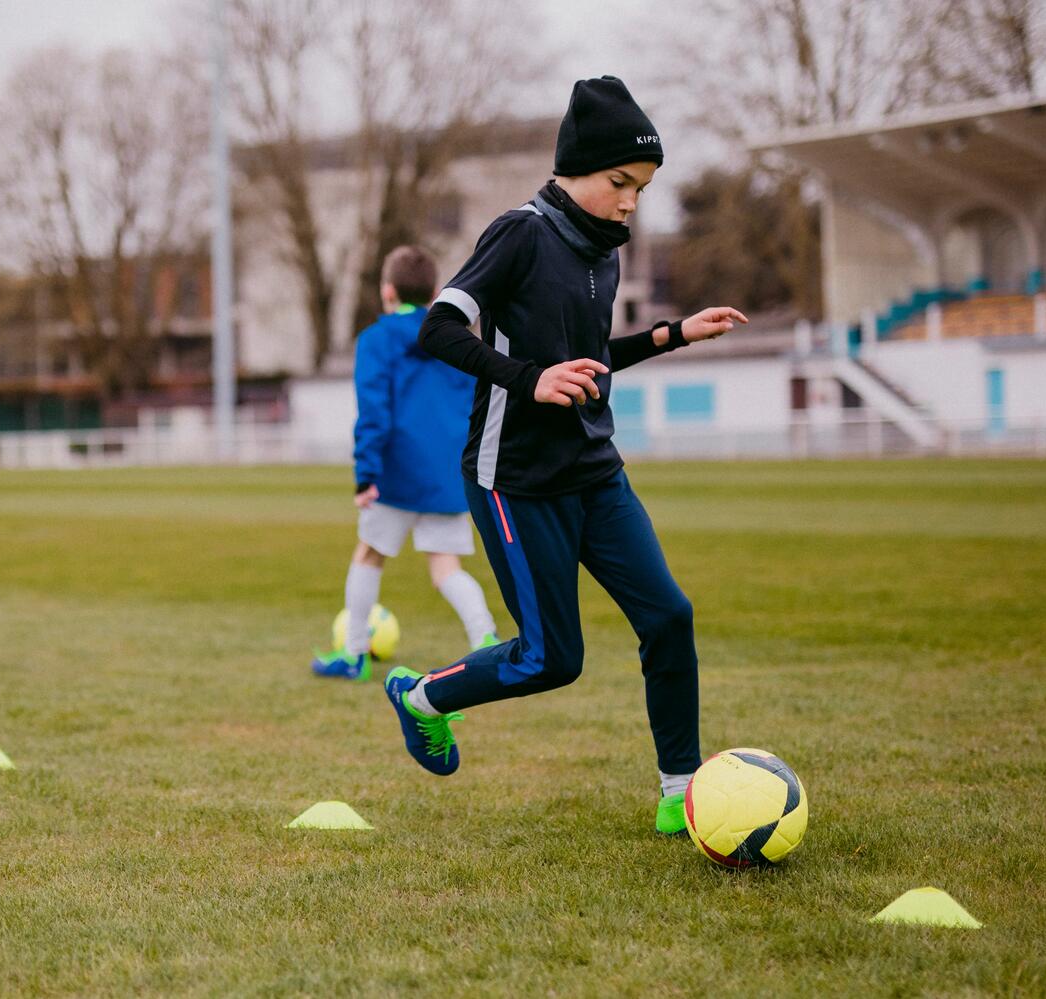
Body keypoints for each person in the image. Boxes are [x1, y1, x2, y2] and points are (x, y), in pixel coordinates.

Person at [383, 76, 749, 837]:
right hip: (515, 480)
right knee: (551, 659)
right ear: (575, 167)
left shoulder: (604, 253)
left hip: (595, 471)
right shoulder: (519, 234)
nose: (629, 203)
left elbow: (586, 361)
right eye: (620, 183)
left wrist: (674, 335)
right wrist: (528, 378)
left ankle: (681, 791)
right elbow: (441, 329)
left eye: (642, 190)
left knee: (669, 616)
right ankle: (421, 696)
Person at [311, 246, 498, 681]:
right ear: (435, 293)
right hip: (448, 474)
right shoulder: (456, 336)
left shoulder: (376, 339)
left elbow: (374, 410)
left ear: (388, 291)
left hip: (395, 475)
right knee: (446, 568)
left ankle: (354, 654)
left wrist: (365, 475)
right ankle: (486, 640)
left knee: (369, 554)